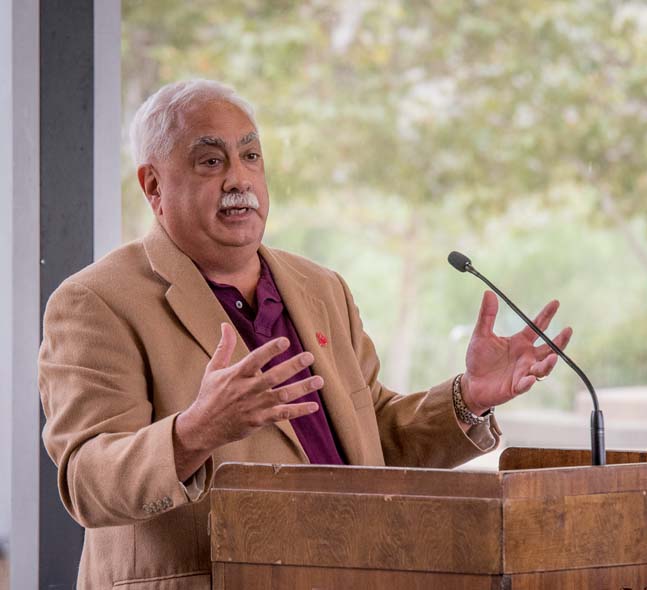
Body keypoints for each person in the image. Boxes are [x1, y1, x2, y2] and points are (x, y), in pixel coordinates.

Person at [38, 79, 572, 589]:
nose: (239, 180)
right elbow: (87, 481)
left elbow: (374, 439)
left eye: (251, 157)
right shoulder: (95, 301)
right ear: (153, 185)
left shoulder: (320, 287)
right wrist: (194, 431)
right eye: (210, 161)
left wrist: (468, 399)